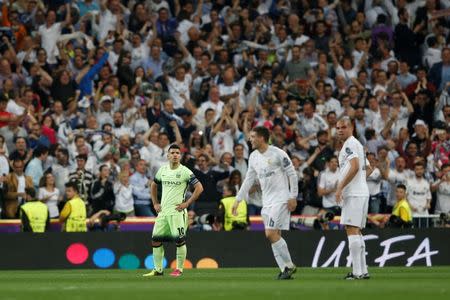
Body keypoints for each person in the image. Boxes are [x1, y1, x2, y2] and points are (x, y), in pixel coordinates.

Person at [233, 126, 298, 280]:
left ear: (262, 138)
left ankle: (289, 264)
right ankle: (284, 270)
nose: (250, 139)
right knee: (275, 235)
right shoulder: (254, 157)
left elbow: (292, 174)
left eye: (252, 136)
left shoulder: (278, 153)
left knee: (270, 233)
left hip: (281, 199)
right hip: (266, 202)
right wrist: (238, 199)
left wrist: (293, 196)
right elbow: (248, 180)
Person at [143, 144, 203, 277]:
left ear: (180, 156)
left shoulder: (185, 171)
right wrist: (155, 203)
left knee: (179, 240)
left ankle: (179, 269)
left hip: (177, 212)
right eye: (173, 153)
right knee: (155, 240)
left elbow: (199, 187)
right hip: (163, 212)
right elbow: (153, 185)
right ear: (168, 155)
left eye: (177, 153)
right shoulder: (162, 170)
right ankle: (158, 270)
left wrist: (187, 203)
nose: (175, 155)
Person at [335, 117, 371, 280]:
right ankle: (363, 271)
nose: (340, 130)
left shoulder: (350, 143)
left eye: (343, 127)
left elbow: (355, 166)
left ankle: (357, 272)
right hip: (361, 192)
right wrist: (360, 181)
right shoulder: (357, 144)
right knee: (357, 231)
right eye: (337, 128)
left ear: (351, 127)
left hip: (354, 194)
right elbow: (368, 168)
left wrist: (341, 187)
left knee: (351, 229)